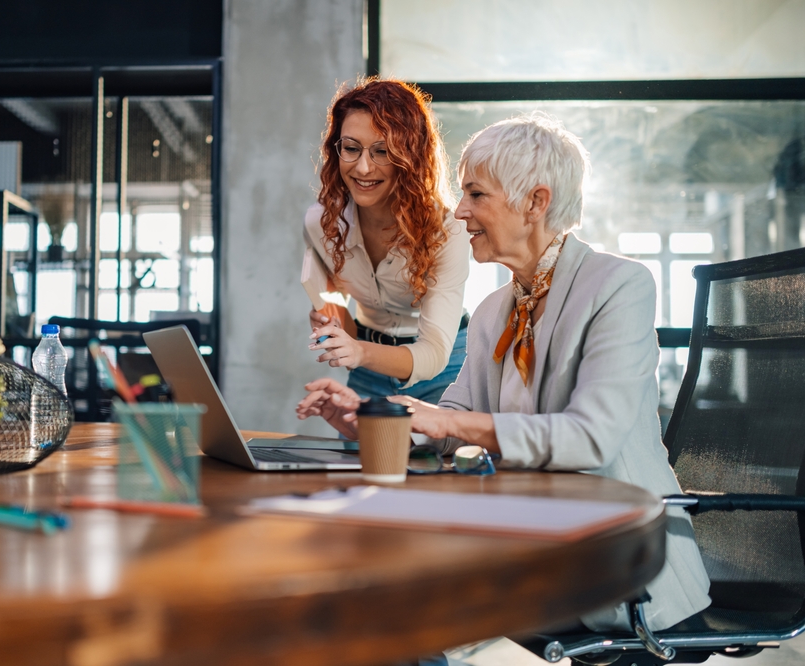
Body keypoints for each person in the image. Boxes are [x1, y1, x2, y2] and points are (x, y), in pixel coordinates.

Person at [298, 112, 711, 633]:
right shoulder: (496, 308)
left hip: (622, 565)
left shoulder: (618, 285)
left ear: (535, 203)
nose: (459, 211)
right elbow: (451, 421)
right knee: (383, 591)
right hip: (536, 543)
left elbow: (591, 439)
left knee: (403, 598)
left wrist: (446, 425)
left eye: (476, 195)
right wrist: (376, 425)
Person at [305, 78, 470, 405]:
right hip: (367, 367)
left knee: (433, 456)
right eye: (351, 148)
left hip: (446, 367)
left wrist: (358, 351)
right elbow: (338, 314)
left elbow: (434, 351)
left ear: (410, 157)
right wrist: (334, 322)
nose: (363, 167)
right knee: (359, 456)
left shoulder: (449, 230)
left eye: (382, 151)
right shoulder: (321, 223)